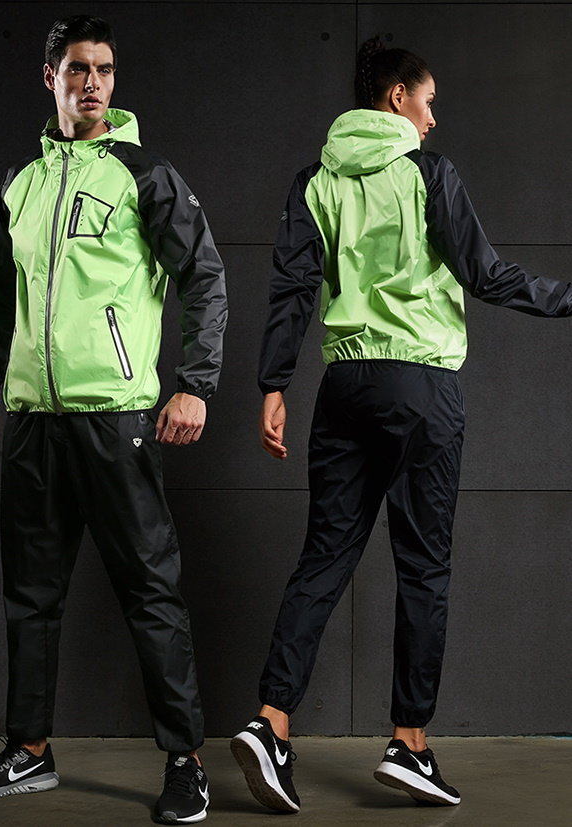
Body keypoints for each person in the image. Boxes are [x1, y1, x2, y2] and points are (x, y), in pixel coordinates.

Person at [231, 35, 572, 813]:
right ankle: (409, 743)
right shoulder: (428, 173)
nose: (432, 118)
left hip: (343, 388)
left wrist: (273, 385)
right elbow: (487, 275)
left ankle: (272, 721)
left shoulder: (316, 179)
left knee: (324, 556)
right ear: (397, 97)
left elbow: (291, 287)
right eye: (428, 101)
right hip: (420, 386)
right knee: (422, 569)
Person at [0, 15, 227, 825]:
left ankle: (186, 761)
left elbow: (205, 277)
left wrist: (195, 384)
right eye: (78, 69)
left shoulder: (145, 174)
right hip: (33, 422)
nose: (94, 83)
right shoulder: (21, 183)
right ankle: (29, 750)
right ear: (51, 78)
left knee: (151, 592)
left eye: (104, 69)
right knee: (29, 596)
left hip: (117, 420)